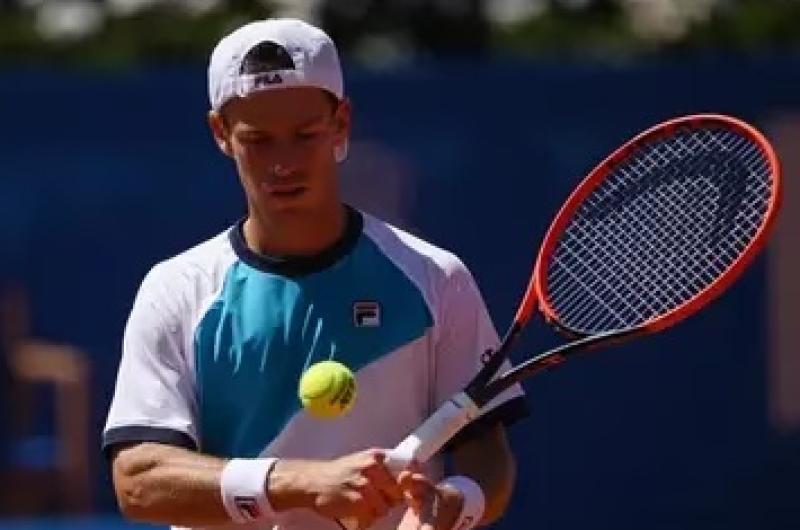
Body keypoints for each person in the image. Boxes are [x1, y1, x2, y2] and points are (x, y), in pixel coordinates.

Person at [103, 18, 527, 530]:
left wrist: (455, 507)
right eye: (258, 140)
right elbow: (139, 479)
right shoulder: (175, 291)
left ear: (341, 124)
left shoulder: (437, 278)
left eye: (305, 135)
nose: (284, 163)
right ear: (220, 134)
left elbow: (487, 456)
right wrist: (300, 483)